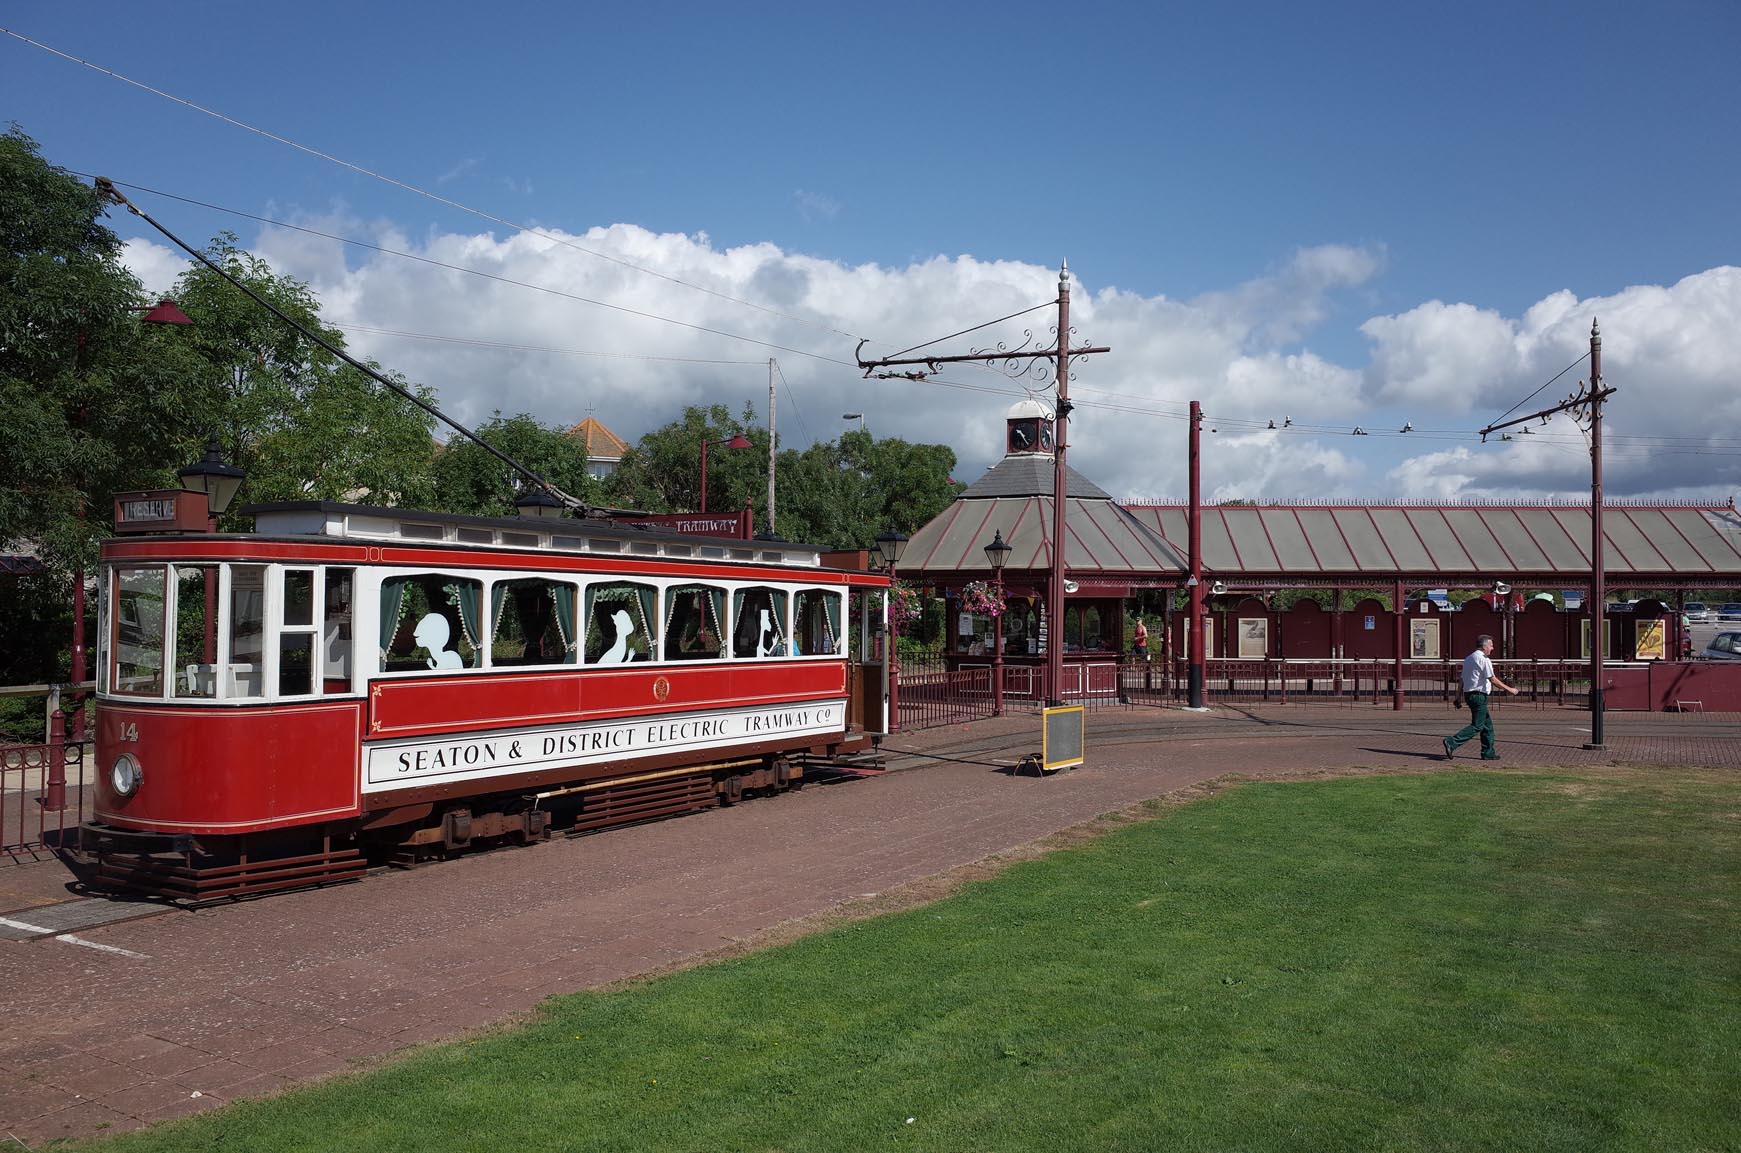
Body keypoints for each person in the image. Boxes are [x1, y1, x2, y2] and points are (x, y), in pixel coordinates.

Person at [1444, 634, 1518, 761]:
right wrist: (1510, 689)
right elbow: (1492, 679)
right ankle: (1452, 742)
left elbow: (1462, 680)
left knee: (1487, 726)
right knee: (1477, 725)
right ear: (1484, 646)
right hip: (1478, 696)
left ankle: (1488, 752)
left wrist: (1457, 696)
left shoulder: (1469, 658)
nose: (1492, 648)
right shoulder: (1484, 659)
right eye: (1491, 645)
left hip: (1470, 695)